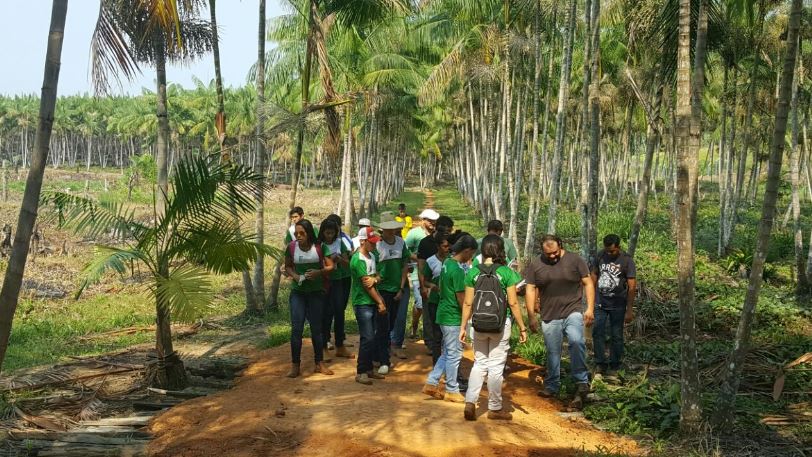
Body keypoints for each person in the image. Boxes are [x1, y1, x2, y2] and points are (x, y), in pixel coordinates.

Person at [460, 235, 528, 421]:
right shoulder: (507, 273)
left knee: (480, 363)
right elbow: (513, 303)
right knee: (496, 367)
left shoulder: (472, 273)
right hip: (500, 324)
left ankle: (470, 402)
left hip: (478, 324)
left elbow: (467, 303)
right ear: (500, 250)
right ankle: (494, 408)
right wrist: (522, 327)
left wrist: (463, 327)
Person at [523, 235, 595, 410]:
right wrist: (531, 315)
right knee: (553, 350)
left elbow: (588, 283)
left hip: (573, 310)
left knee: (577, 342)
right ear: (543, 251)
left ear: (561, 246)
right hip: (549, 314)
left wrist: (590, 308)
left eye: (555, 253)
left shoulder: (575, 260)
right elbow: (530, 289)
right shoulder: (536, 265)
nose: (552, 256)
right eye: (548, 254)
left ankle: (581, 381)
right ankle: (552, 385)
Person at [422, 233, 477, 403]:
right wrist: (467, 319)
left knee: (447, 352)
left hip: (443, 312)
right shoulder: (458, 271)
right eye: (472, 253)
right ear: (467, 251)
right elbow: (463, 300)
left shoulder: (447, 263)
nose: (472, 257)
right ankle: (452, 389)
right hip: (453, 316)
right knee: (454, 354)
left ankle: (432, 382)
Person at [284, 219, 335, 378]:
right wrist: (295, 276)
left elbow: (330, 266)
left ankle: (319, 363)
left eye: (302, 233)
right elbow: (287, 266)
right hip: (298, 293)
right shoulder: (291, 247)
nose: (299, 236)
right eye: (296, 233)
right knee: (296, 329)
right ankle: (295, 365)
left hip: (316, 293)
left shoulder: (320, 247)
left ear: (309, 233)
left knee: (316, 329)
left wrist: (318, 273)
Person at [591, 234, 637, 377]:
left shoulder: (627, 260)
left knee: (616, 335)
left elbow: (632, 286)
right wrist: (591, 300)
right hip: (600, 302)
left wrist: (629, 309)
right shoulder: (600, 256)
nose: (609, 254)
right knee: (597, 332)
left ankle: (615, 365)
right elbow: (593, 275)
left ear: (618, 247)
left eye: (612, 251)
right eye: (607, 251)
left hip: (618, 304)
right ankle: (600, 363)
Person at [350, 227, 388, 385]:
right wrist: (380, 301)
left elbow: (379, 276)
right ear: (362, 241)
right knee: (368, 337)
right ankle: (361, 371)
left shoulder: (372, 256)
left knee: (373, 335)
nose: (373, 246)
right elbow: (367, 284)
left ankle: (369, 369)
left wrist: (376, 280)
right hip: (363, 302)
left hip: (373, 301)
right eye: (371, 243)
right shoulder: (357, 260)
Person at [375, 212, 411, 372]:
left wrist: (401, 288)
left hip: (397, 290)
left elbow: (405, 265)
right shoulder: (376, 245)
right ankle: (384, 360)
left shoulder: (401, 243)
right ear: (382, 230)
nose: (391, 232)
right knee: (382, 326)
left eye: (393, 229)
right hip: (381, 291)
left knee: (391, 324)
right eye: (387, 229)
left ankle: (377, 353)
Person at [318, 218, 353, 358]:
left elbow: (347, 263)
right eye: (327, 233)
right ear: (323, 232)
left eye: (332, 233)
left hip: (338, 281)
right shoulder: (318, 245)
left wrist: (339, 259)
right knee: (325, 313)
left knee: (339, 312)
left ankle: (340, 345)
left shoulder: (340, 243)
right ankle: (324, 345)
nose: (330, 236)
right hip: (324, 281)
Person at [404, 209, 439, 347]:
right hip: (417, 273)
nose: (432, 223)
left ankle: (430, 337)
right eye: (429, 220)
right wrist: (420, 258)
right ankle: (415, 327)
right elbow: (405, 251)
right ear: (423, 220)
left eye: (434, 220)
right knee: (421, 304)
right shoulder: (414, 234)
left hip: (434, 275)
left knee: (429, 305)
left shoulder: (437, 235)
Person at [422, 232, 450, 364]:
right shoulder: (430, 261)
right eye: (444, 246)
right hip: (435, 301)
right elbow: (425, 280)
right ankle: (437, 364)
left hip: (449, 302)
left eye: (448, 246)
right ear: (438, 247)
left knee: (448, 336)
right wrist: (432, 286)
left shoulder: (452, 261)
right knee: (437, 334)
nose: (447, 248)